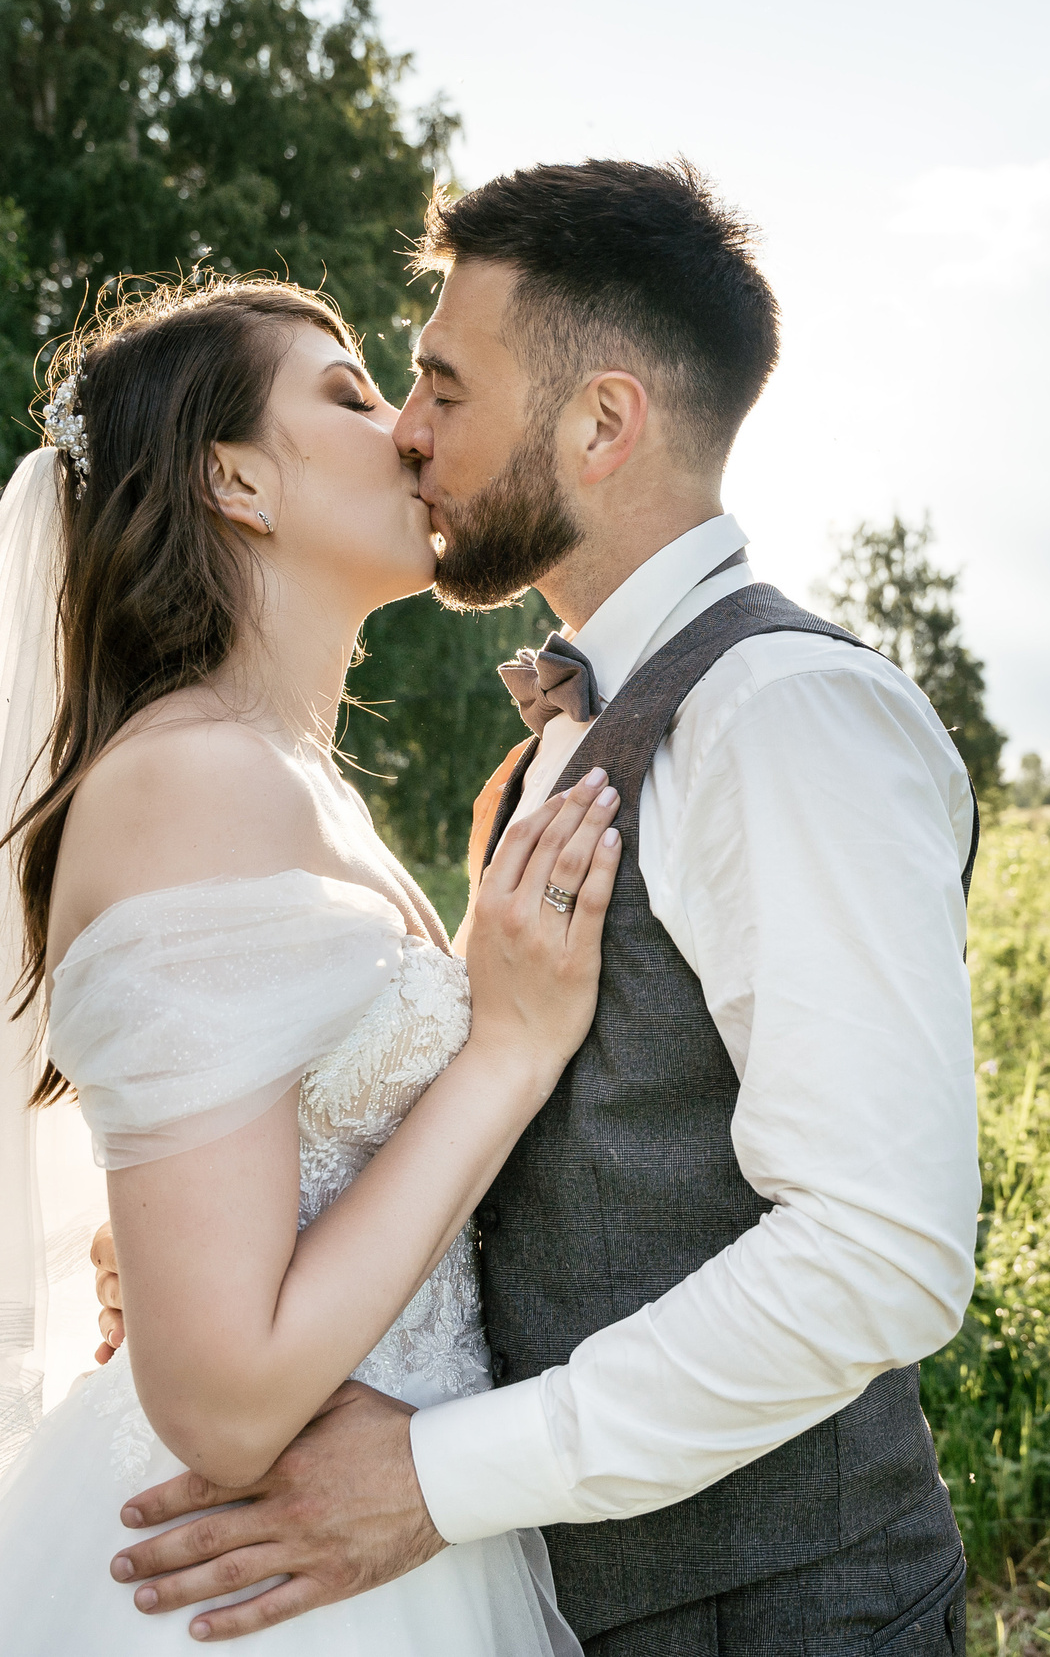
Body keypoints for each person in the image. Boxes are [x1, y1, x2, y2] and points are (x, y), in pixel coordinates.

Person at [95, 161, 982, 1653]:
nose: (409, 432)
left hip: (779, 1611)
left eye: (441, 383)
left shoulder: (788, 714)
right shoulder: (559, 742)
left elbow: (881, 1248)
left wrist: (438, 1481)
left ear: (602, 421)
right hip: (547, 1600)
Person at [0, 274, 611, 1655]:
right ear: (236, 480)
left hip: (380, 1539)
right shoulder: (190, 784)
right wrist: (513, 1048)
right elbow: (224, 1404)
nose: (412, 430)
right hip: (264, 1585)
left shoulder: (280, 780)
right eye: (351, 394)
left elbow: (315, 1123)